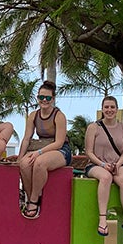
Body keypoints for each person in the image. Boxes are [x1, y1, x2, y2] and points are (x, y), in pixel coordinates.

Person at [17, 81, 72, 220]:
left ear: (53, 99)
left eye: (47, 98)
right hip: (41, 148)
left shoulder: (59, 116)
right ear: (38, 98)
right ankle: (30, 198)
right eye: (41, 97)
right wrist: (20, 157)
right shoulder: (33, 115)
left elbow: (59, 142)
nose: (44, 101)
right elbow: (26, 138)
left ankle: (34, 199)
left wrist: (39, 152)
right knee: (24, 164)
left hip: (59, 150)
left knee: (40, 163)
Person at [83, 95, 123, 238]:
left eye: (112, 107)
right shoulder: (94, 127)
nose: (109, 110)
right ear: (102, 109)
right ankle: (102, 217)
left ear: (117, 109)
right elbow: (88, 152)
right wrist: (103, 164)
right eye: (106, 107)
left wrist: (117, 165)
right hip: (96, 164)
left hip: (118, 164)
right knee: (106, 177)